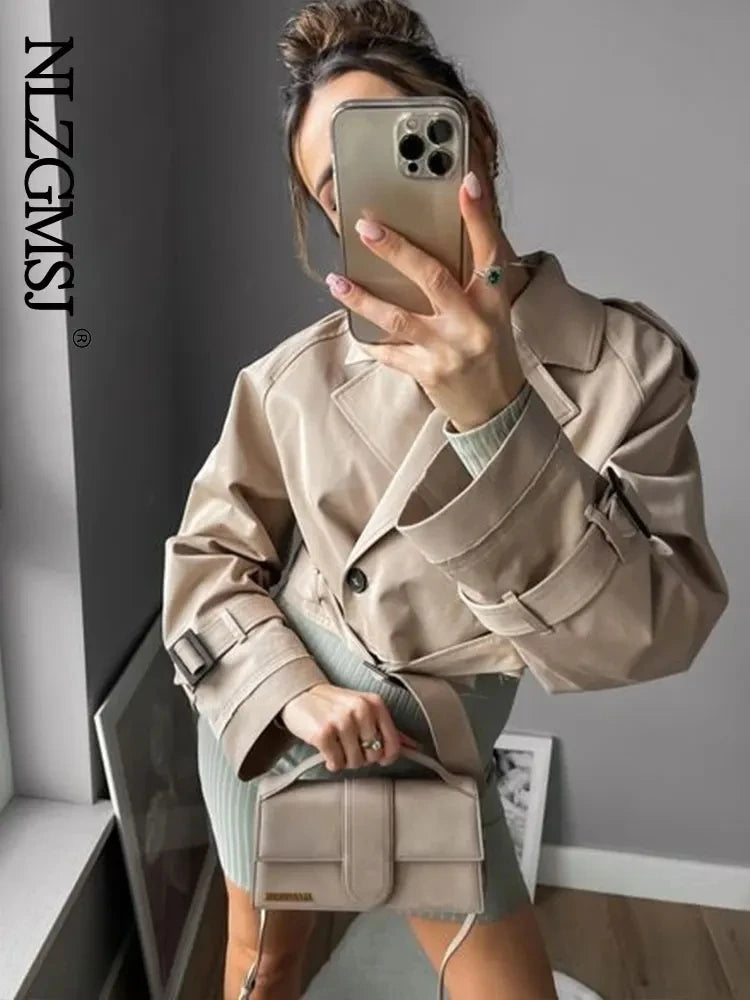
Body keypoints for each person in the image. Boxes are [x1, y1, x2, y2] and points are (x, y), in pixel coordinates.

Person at [161, 3, 729, 999]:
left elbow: (653, 632)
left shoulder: (627, 369)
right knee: (261, 969)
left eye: (400, 151)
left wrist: (497, 415)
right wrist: (291, 693)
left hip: (430, 754)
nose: (371, 206)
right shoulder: (289, 381)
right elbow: (208, 566)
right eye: (337, 188)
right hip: (283, 725)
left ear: (476, 138)